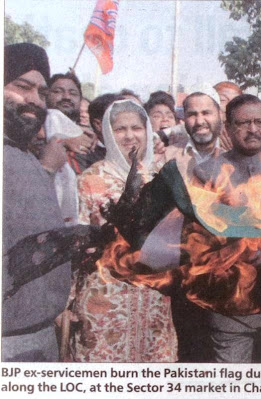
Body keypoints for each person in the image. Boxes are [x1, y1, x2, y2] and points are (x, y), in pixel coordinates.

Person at [193, 94, 261, 362]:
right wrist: (239, 250)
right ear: (228, 129)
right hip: (232, 310)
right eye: (243, 123)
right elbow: (200, 241)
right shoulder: (207, 172)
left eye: (258, 122)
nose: (252, 130)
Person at [68, 100, 178, 362]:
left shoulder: (162, 177)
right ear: (108, 133)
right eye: (120, 129)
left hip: (153, 298)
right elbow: (76, 246)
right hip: (104, 299)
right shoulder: (91, 180)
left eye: (136, 128)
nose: (130, 136)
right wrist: (66, 301)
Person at [2, 42, 71, 362]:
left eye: (42, 93)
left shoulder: (22, 152)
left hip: (40, 335)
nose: (33, 99)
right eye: (21, 86)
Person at [162, 92, 223, 179]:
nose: (199, 121)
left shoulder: (233, 155)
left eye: (206, 113)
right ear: (184, 118)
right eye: (192, 115)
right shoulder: (167, 157)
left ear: (220, 114)